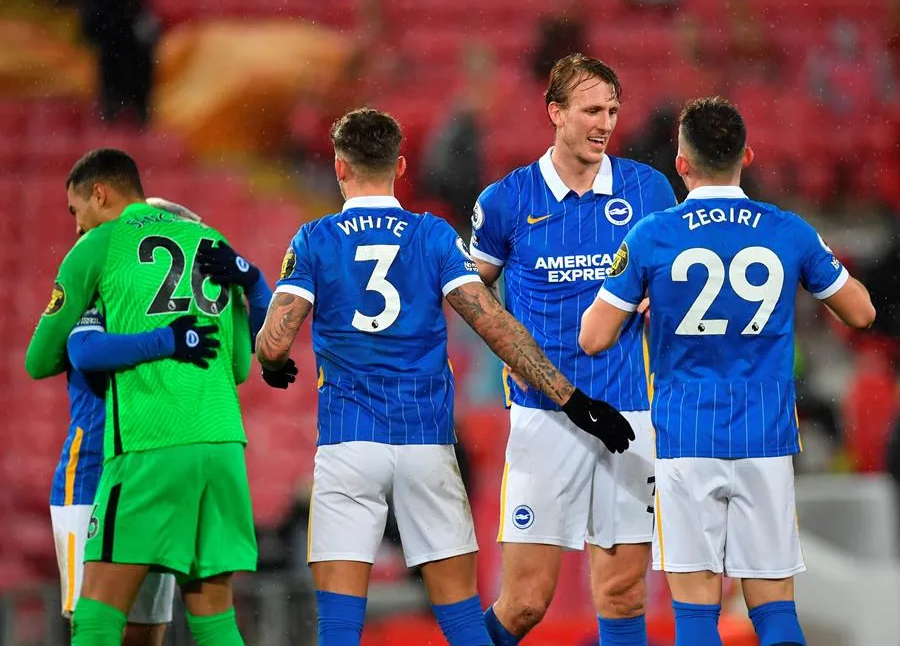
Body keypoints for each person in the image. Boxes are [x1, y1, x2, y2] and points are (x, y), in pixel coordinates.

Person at [255, 107, 635, 646]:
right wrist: (571, 398)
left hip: (347, 448)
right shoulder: (432, 236)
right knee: (461, 624)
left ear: (339, 167)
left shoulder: (315, 238)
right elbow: (493, 323)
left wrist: (274, 365)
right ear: (401, 165)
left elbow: (273, 340)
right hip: (425, 444)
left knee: (338, 628)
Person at [580, 96, 876, 646]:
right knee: (775, 609)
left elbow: (592, 338)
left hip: (687, 438)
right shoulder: (788, 231)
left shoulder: (652, 234)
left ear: (682, 163)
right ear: (748, 156)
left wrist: (645, 308)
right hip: (765, 436)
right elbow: (861, 312)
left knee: (696, 614)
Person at [24, 149, 290, 645]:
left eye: (75, 210)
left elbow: (40, 359)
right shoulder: (212, 242)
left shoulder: (101, 247)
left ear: (99, 194)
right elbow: (238, 365)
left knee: (97, 617)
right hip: (222, 446)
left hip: (144, 449)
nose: (76, 225)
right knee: (213, 619)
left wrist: (146, 334)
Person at [468, 53, 676, 646]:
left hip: (631, 415)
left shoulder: (647, 188)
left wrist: (658, 297)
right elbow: (469, 292)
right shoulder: (507, 200)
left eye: (612, 110)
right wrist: (507, 351)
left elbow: (671, 281)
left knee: (622, 595)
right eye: (591, 109)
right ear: (555, 112)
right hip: (544, 420)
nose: (605, 122)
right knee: (526, 603)